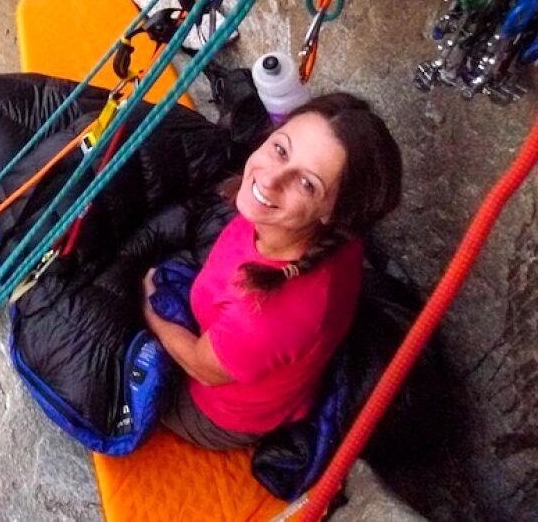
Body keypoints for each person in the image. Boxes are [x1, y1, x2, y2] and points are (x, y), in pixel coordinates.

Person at [141, 92, 403, 450]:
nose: (271, 179)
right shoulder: (330, 238)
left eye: (307, 183)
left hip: (217, 410)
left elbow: (202, 368)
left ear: (333, 213)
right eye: (281, 149)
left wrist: (147, 310)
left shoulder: (264, 314)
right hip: (257, 358)